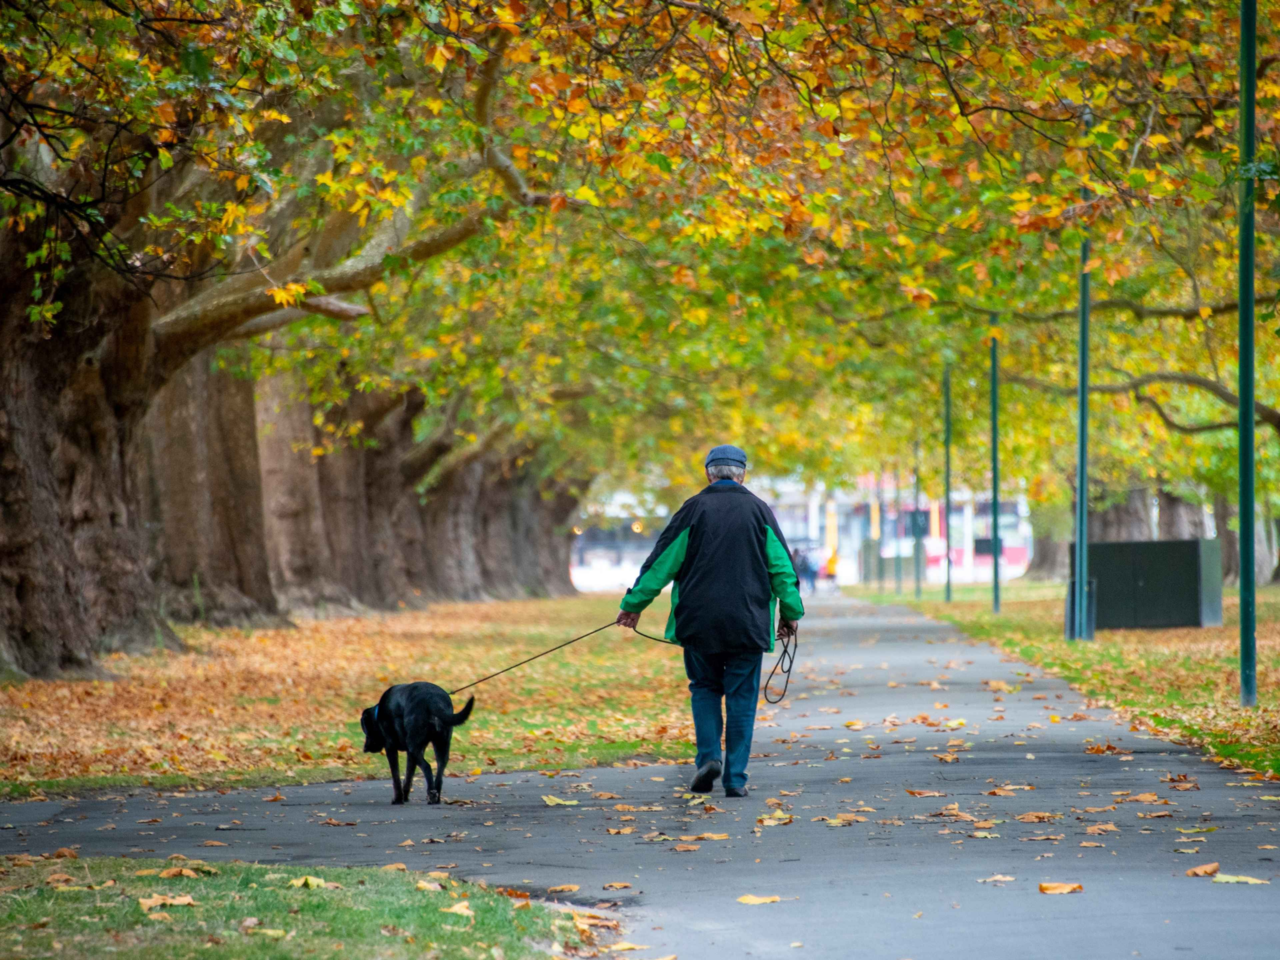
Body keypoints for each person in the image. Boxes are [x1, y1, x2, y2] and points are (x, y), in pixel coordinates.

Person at [615, 445, 804, 797]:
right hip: (748, 621)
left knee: (704, 688)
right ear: (742, 475)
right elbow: (782, 569)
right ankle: (736, 780)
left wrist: (633, 605)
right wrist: (790, 614)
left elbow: (661, 564)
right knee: (742, 698)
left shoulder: (693, 509)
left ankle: (708, 759)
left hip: (698, 621)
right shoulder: (759, 511)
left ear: (708, 473)